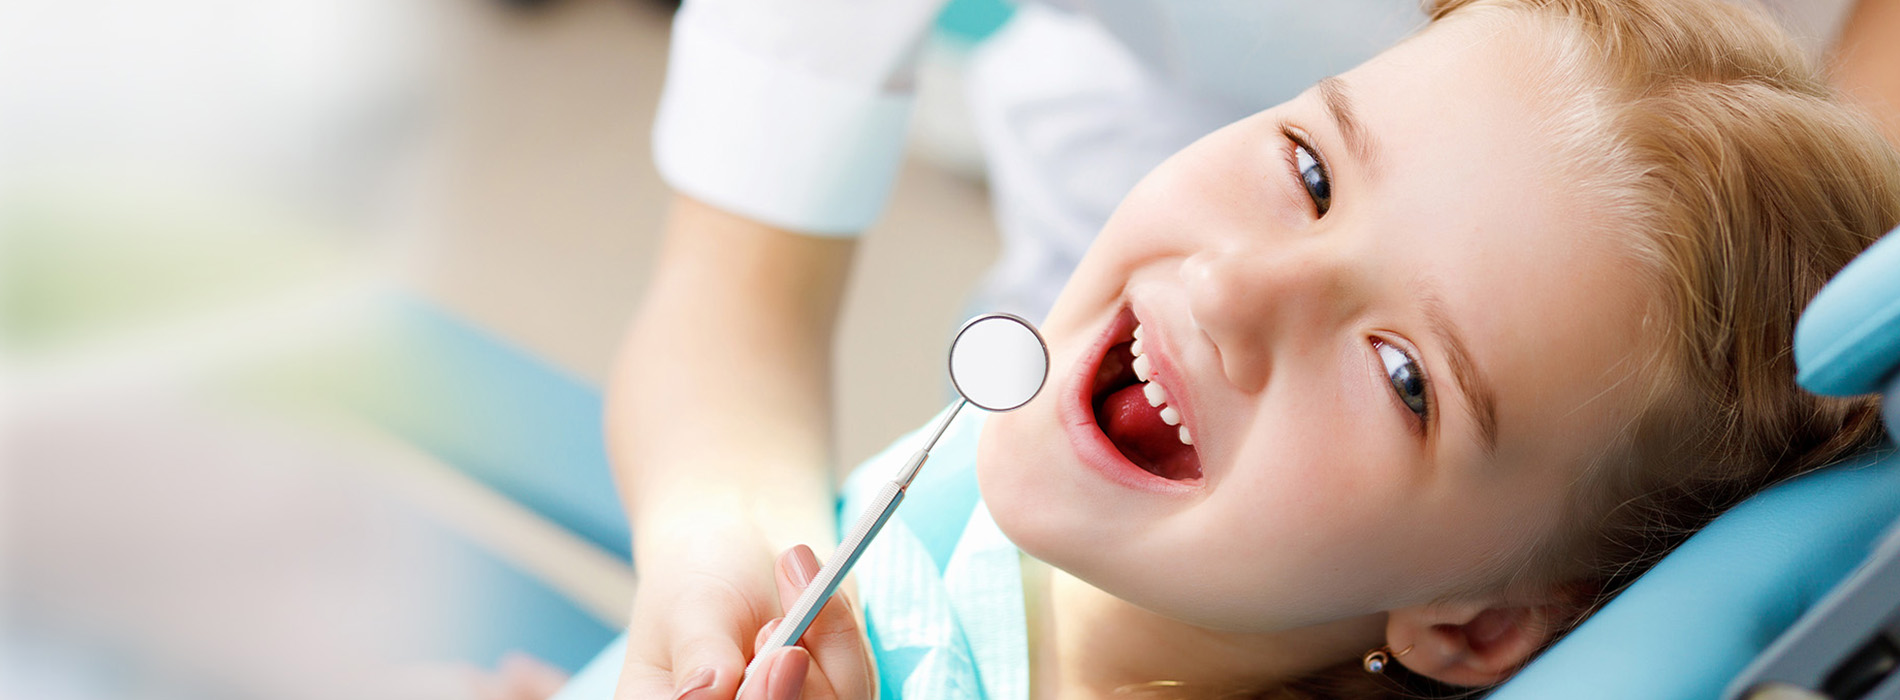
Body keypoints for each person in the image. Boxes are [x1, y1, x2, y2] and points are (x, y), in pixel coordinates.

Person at [605, 0, 1900, 698]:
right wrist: (701, 589)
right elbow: (728, 304)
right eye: (1310, 169)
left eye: (1408, 379)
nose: (1232, 287)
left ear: (1484, 623)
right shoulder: (979, 502)